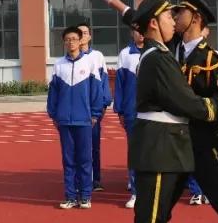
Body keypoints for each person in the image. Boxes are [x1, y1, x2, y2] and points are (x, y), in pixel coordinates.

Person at [123, 0, 218, 223]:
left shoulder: (161, 54)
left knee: (155, 219)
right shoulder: (158, 58)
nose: (173, 20)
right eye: (168, 16)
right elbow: (185, 101)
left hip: (166, 145)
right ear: (155, 24)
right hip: (159, 146)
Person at [169, 0, 218, 223]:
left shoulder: (211, 59)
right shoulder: (171, 51)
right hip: (173, 142)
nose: (175, 16)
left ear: (196, 18)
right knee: (159, 208)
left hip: (200, 142)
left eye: (181, 12)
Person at [47, 26, 109, 209]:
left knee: (85, 159)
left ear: (80, 40)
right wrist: (54, 114)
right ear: (64, 42)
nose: (71, 42)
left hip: (84, 120)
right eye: (67, 39)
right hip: (65, 120)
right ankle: (70, 196)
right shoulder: (58, 65)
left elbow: (96, 92)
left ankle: (85, 196)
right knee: (68, 160)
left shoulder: (89, 63)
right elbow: (53, 94)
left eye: (74, 39)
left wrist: (95, 114)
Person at [78, 22, 112, 192]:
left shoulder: (97, 56)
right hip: (77, 110)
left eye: (85, 33)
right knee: (78, 147)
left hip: (93, 110)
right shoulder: (72, 58)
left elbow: (104, 80)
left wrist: (104, 103)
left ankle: (95, 180)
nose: (82, 36)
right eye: (80, 33)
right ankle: (81, 180)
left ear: (90, 36)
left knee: (94, 146)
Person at [114, 28, 145, 209]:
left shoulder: (155, 51)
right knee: (135, 152)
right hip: (131, 111)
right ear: (132, 33)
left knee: (151, 152)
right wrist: (120, 109)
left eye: (143, 30)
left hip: (153, 112)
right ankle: (135, 192)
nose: (140, 34)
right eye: (137, 31)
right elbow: (120, 84)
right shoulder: (125, 54)